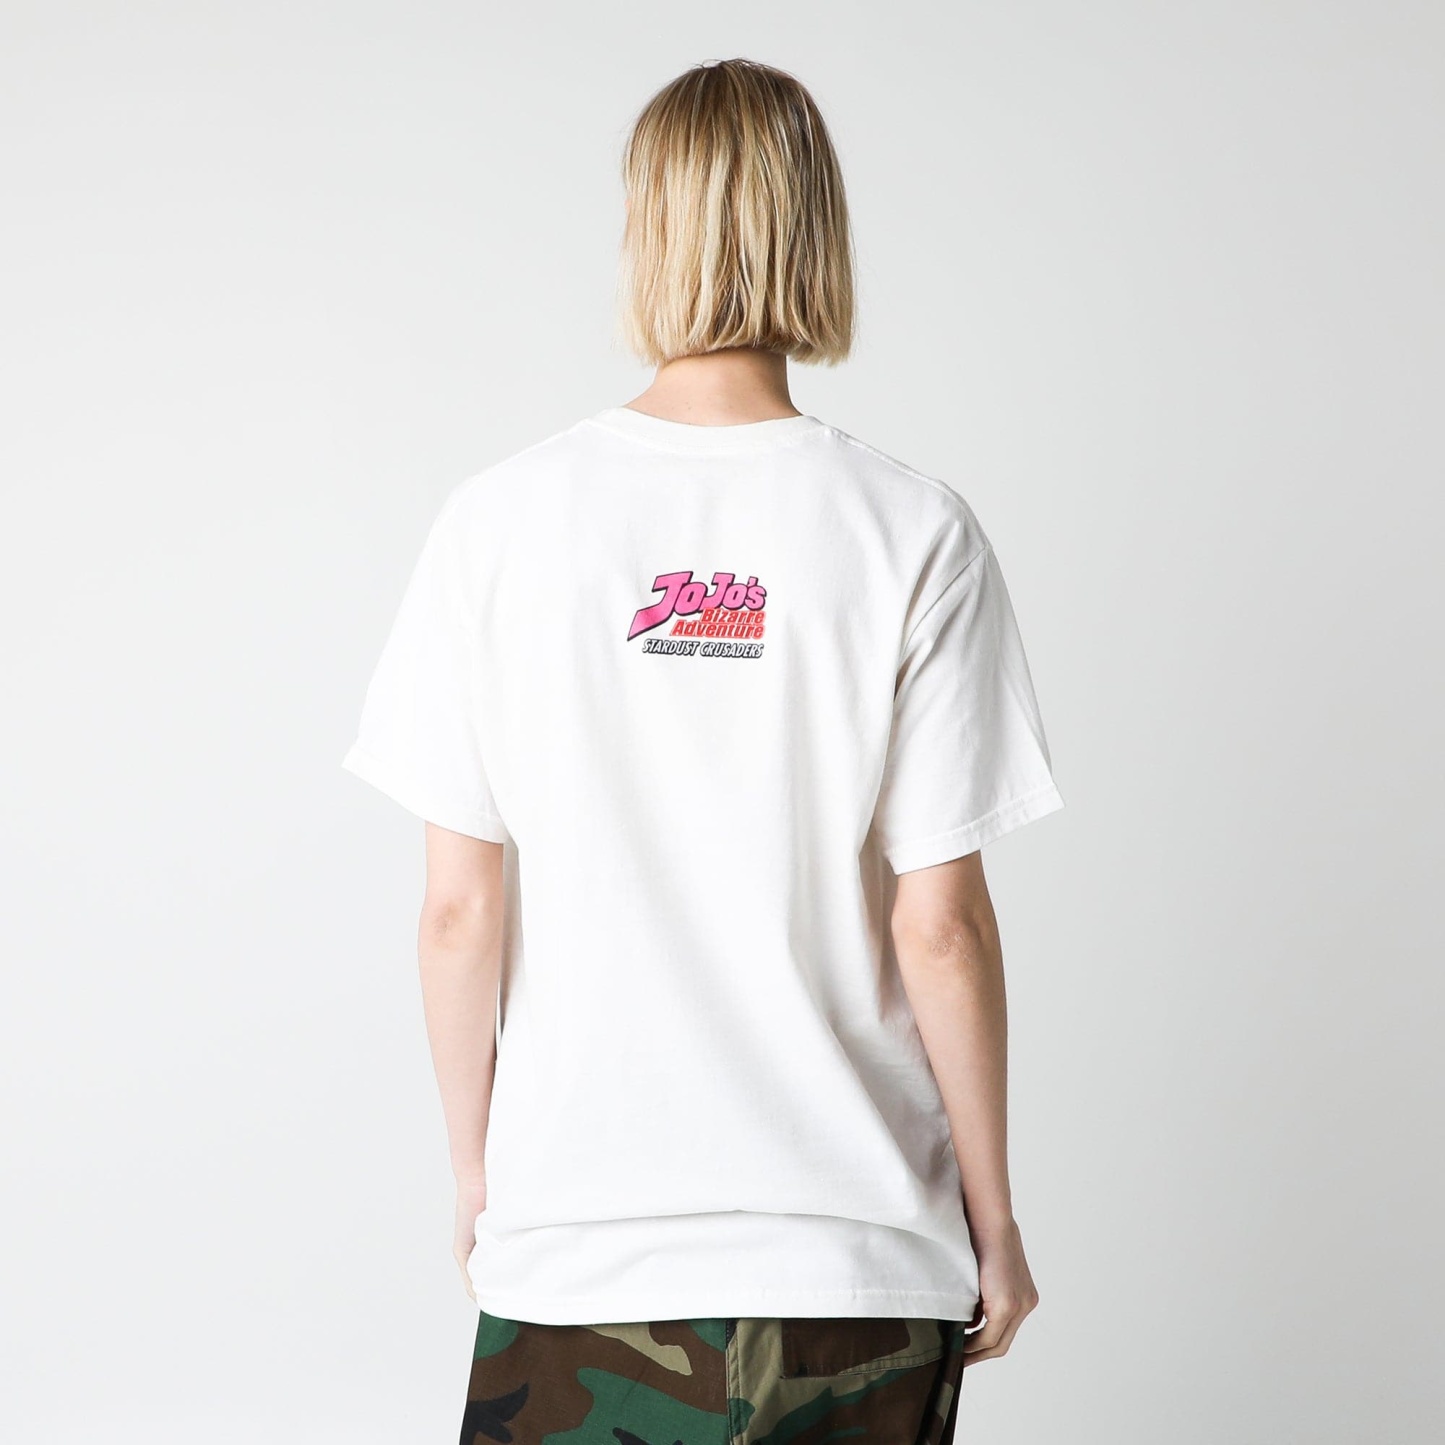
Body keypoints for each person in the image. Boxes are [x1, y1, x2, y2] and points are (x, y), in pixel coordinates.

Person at [343, 56, 1065, 1445]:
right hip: (856, 1268)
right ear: (817, 232)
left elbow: (457, 910)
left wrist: (480, 1176)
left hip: (579, 1260)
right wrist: (993, 1218)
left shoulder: (500, 523)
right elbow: (941, 925)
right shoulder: (910, 529)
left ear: (646, 231)